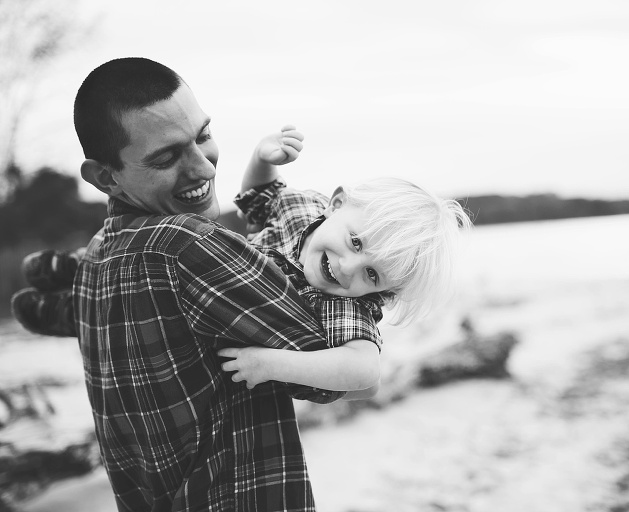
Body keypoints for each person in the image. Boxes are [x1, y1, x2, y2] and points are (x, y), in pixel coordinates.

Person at [16, 56, 356, 512]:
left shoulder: (99, 257)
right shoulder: (189, 246)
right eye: (166, 158)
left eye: (203, 136)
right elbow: (337, 374)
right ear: (105, 177)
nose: (205, 169)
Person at [218, 125, 471, 392]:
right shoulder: (299, 208)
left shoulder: (344, 305)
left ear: (385, 292)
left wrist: (269, 365)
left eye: (372, 274)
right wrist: (262, 159)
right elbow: (258, 196)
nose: (348, 268)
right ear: (336, 205)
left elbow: (365, 372)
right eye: (355, 242)